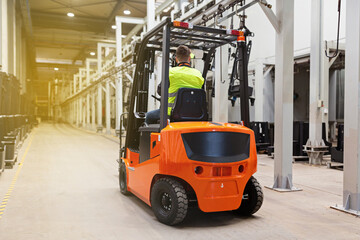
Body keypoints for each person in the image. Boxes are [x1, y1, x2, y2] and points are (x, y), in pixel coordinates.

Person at [145, 45, 204, 124]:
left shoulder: (170, 72)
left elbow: (160, 91)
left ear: (176, 59)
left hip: (171, 114)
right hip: (195, 114)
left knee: (149, 116)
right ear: (189, 58)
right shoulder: (198, 74)